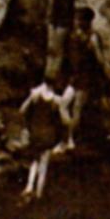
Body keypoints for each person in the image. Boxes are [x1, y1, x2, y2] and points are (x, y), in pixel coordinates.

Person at [19, 68, 75, 202]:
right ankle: (39, 194)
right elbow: (65, 120)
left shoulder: (35, 95)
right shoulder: (56, 100)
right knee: (44, 164)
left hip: (35, 132)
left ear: (43, 81)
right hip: (48, 135)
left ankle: (28, 187)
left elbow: (22, 110)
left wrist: (27, 124)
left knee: (34, 160)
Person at [57, 6, 103, 153]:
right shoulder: (75, 35)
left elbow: (100, 60)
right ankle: (68, 138)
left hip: (86, 76)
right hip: (75, 76)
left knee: (76, 109)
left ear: (85, 21)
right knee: (63, 105)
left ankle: (69, 140)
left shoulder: (92, 37)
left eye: (78, 19)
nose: (76, 22)